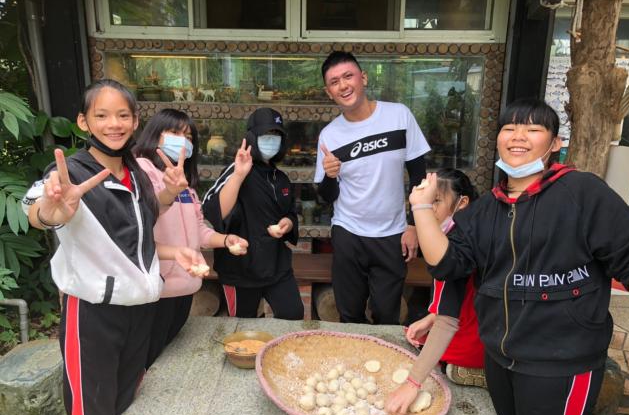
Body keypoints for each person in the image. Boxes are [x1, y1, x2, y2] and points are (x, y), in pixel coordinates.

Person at [387, 99, 629, 415]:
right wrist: (422, 208)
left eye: (533, 129)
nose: (518, 136)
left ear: (555, 143)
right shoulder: (484, 211)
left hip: (561, 363)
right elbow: (447, 265)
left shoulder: (582, 192)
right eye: (510, 128)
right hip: (500, 359)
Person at [21, 79, 208, 415]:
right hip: (93, 316)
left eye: (123, 115)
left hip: (140, 311)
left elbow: (136, 233)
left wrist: (171, 214)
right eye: (102, 115)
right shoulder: (71, 172)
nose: (114, 124)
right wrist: (50, 212)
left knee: (124, 406)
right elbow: (38, 206)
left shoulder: (135, 172)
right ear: (83, 121)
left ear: (136, 121)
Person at [314, 51, 430, 324]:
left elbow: (419, 175)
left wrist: (413, 225)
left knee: (387, 315)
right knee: (349, 313)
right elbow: (326, 196)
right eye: (334, 82)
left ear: (363, 78)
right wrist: (330, 176)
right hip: (348, 233)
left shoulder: (399, 116)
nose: (343, 86)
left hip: (392, 234)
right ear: (329, 92)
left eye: (348, 76)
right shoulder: (329, 135)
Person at [134, 109, 248, 367]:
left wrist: (226, 240)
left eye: (188, 137)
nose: (182, 141)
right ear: (154, 135)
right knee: (147, 359)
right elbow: (141, 216)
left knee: (166, 355)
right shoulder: (141, 170)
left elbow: (198, 230)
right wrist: (168, 192)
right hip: (156, 288)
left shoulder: (185, 184)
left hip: (185, 285)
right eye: (174, 133)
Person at [202, 107, 304, 319]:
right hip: (240, 269)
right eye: (266, 134)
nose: (271, 140)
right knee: (243, 326)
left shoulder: (281, 178)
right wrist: (239, 175)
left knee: (293, 314)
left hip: (277, 266)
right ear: (252, 137)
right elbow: (213, 210)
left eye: (276, 135)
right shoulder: (236, 170)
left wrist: (288, 223)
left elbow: (291, 213)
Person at [401, 168, 486, 388]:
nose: (428, 208)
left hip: (472, 337)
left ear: (462, 202)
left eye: (435, 200)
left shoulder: (451, 247)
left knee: (448, 367)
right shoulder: (465, 231)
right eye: (424, 201)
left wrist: (412, 383)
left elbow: (449, 317)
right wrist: (430, 318)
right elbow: (453, 298)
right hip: (474, 327)